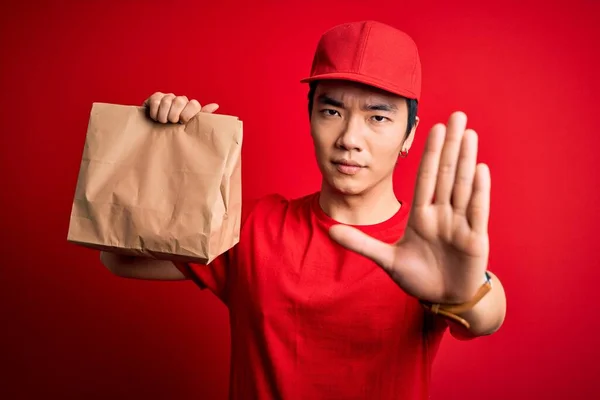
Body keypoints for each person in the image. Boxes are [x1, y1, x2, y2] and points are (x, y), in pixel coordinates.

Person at [100, 20, 506, 400]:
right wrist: (163, 149)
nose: (350, 137)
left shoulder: (427, 249)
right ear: (310, 116)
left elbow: (488, 318)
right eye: (332, 111)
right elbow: (118, 256)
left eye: (378, 116)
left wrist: (462, 294)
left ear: (409, 134)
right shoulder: (253, 226)